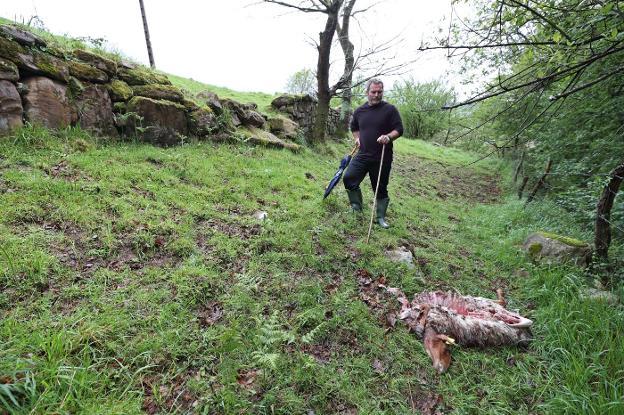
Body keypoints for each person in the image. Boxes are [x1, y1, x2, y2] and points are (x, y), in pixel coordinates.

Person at [342, 78, 403, 228]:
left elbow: (399, 129)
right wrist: (357, 138)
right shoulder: (360, 111)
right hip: (362, 154)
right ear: (367, 92)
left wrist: (388, 137)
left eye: (379, 92)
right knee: (349, 178)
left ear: (382, 91)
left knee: (380, 188)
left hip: (382, 156)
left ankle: (380, 217)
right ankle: (357, 207)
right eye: (373, 92)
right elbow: (354, 127)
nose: (376, 95)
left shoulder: (390, 110)